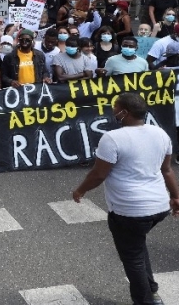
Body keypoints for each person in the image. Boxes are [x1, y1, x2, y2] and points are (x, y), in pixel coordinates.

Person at [72, 93, 179, 305]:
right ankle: (152, 291)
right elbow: (167, 170)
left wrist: (80, 191)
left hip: (129, 211)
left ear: (124, 113)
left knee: (132, 258)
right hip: (158, 207)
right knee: (137, 247)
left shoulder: (112, 139)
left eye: (115, 108)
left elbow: (99, 174)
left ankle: (144, 301)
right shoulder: (161, 134)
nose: (113, 112)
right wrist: (175, 197)